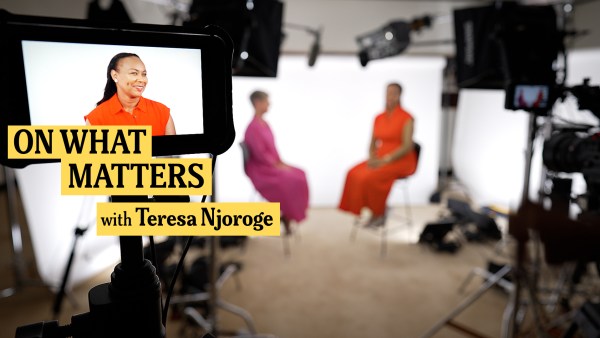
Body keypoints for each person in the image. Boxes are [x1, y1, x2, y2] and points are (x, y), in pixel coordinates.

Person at [339, 83, 417, 227]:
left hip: (400, 159)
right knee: (353, 173)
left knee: (369, 177)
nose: (390, 96)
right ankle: (368, 210)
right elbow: (372, 142)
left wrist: (385, 160)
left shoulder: (407, 118)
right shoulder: (379, 117)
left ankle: (378, 212)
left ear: (400, 95)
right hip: (380, 156)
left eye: (393, 93)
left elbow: (407, 146)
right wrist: (372, 157)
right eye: (388, 92)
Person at [244, 90, 309, 233]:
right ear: (257, 103)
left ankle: (288, 215)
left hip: (272, 164)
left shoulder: (264, 124)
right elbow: (260, 154)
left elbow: (272, 148)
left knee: (300, 173)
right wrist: (277, 165)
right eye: (267, 101)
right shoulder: (253, 127)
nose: (269, 104)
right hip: (261, 169)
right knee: (290, 179)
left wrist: (281, 162)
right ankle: (286, 214)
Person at [85, 52, 176, 136]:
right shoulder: (96, 118)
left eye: (144, 74)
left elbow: (173, 152)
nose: (141, 79)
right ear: (115, 75)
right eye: (134, 73)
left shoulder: (162, 112)